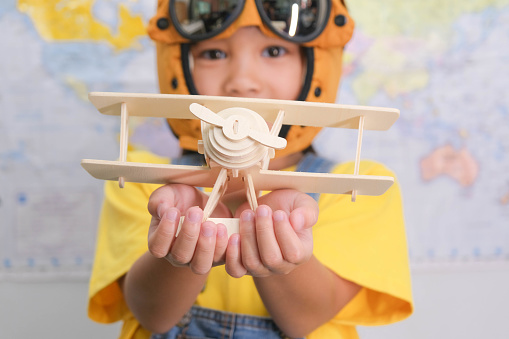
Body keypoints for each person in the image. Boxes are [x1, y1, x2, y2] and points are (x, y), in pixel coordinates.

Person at [87, 0, 413, 338]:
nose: (242, 83)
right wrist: (176, 249)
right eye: (214, 54)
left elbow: (307, 318)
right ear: (178, 65)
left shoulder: (351, 186)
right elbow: (151, 315)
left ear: (314, 65)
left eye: (273, 51)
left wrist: (281, 256)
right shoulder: (147, 182)